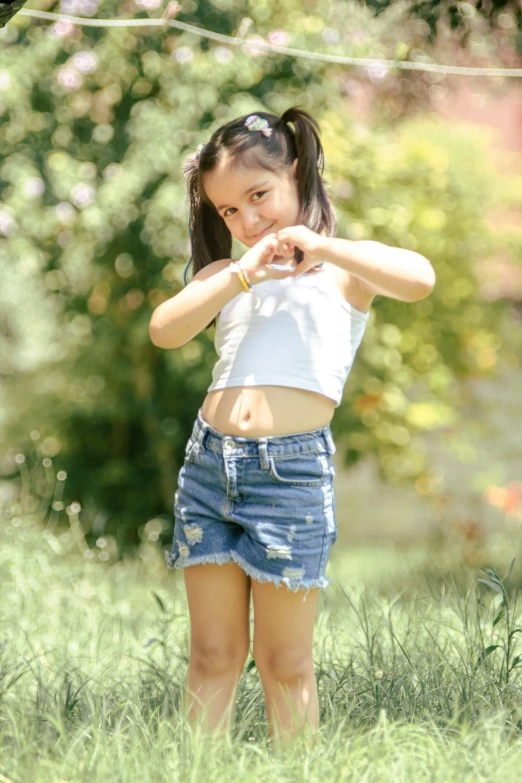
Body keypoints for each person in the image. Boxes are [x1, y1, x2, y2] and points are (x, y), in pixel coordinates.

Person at [149, 106, 435, 751]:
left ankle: (298, 768)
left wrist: (323, 244)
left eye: (259, 196)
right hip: (208, 469)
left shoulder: (341, 269)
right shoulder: (228, 275)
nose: (249, 221)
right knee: (212, 655)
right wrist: (240, 272)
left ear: (298, 172)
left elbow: (420, 278)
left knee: (285, 664)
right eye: (228, 211)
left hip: (291, 475)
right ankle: (194, 768)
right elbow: (164, 330)